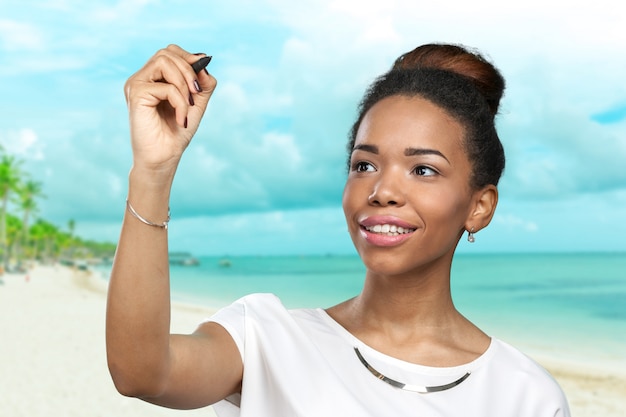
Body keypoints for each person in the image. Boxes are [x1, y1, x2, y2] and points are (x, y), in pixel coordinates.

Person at [106, 44, 570, 416]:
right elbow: (142, 373)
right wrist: (153, 170)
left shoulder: (526, 398)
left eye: (423, 170)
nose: (383, 190)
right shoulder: (268, 340)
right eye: (364, 164)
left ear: (479, 206)